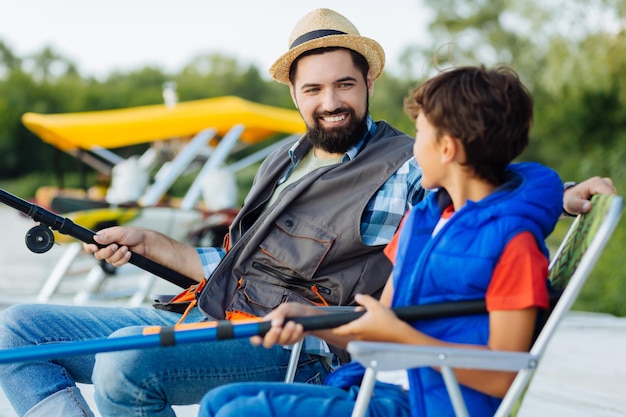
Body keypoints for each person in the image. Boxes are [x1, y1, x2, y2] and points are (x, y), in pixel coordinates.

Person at [0, 8, 614, 417]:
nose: (331, 103)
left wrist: (555, 195)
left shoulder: (405, 162)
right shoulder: (283, 162)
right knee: (16, 329)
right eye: (314, 89)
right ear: (293, 93)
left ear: (368, 81)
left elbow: (482, 175)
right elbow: (241, 265)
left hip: (302, 344)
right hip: (218, 309)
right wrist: (155, 245)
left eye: (344, 85)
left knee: (127, 363)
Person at [198, 64, 566, 417]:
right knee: (220, 402)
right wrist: (309, 317)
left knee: (241, 412)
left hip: (431, 406)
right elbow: (377, 328)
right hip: (376, 386)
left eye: (420, 133)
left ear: (447, 149)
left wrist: (401, 337)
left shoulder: (514, 245)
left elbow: (505, 377)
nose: (412, 147)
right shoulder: (423, 221)